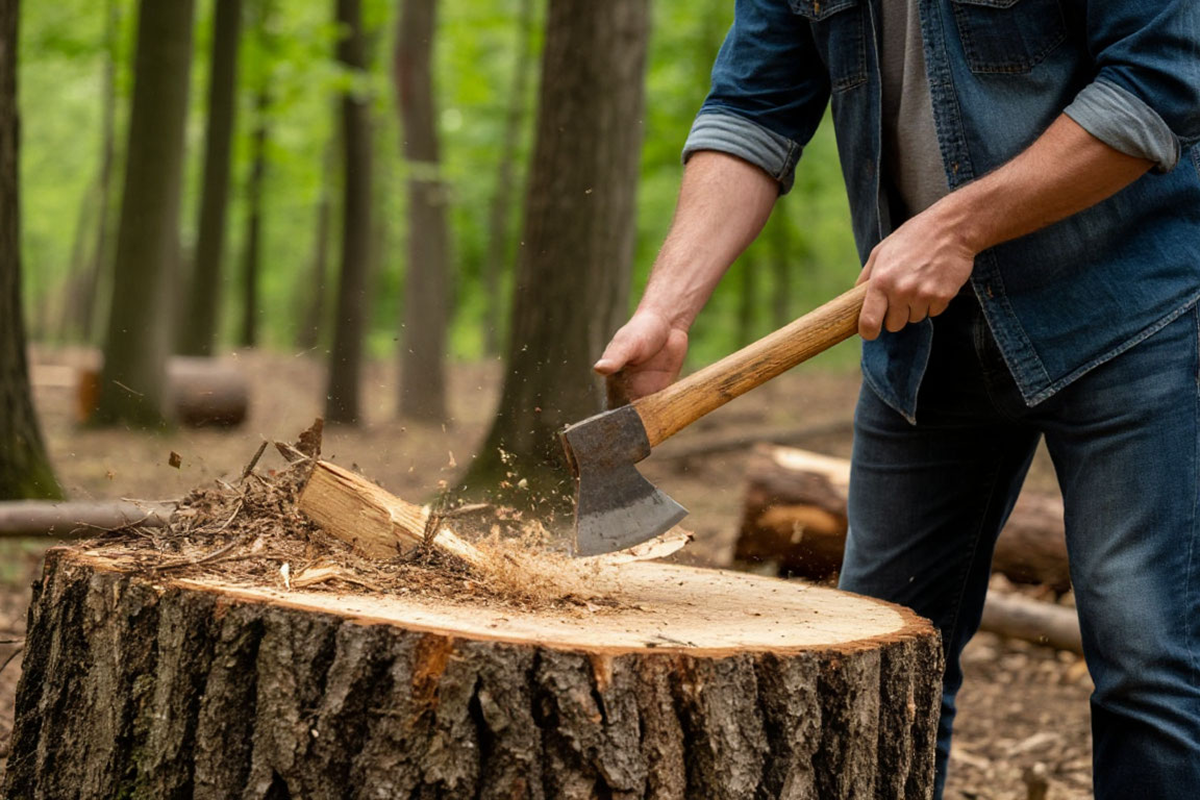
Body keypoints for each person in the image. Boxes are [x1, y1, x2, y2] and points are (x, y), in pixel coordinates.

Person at [594, 1, 1200, 797]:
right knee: (879, 663)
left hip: (1132, 314)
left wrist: (958, 227)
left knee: (1147, 666)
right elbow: (752, 107)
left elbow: (1158, 83)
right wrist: (666, 310)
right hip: (921, 337)